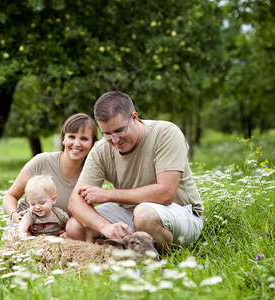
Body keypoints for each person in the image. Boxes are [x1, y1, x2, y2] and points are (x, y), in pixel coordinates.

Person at [66, 91, 203, 253]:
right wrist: (106, 227)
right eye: (107, 133)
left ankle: (157, 261)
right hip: (130, 214)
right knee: (75, 226)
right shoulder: (102, 149)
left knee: (144, 215)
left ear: (135, 118)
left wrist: (108, 195)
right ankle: (125, 258)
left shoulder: (166, 133)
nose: (115, 140)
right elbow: (75, 201)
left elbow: (166, 194)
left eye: (119, 130)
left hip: (179, 214)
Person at [2, 113, 98, 233]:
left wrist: (68, 230)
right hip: (26, 226)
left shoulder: (92, 174)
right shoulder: (42, 161)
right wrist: (14, 216)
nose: (77, 144)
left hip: (55, 232)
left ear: (93, 144)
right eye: (72, 137)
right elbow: (10, 196)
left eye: (84, 139)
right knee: (25, 245)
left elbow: (85, 214)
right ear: (63, 139)